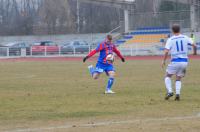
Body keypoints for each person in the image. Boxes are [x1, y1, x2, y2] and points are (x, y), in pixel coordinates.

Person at [162, 24, 197, 101]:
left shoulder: (170, 39)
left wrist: (163, 61)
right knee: (178, 78)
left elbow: (166, 51)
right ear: (180, 29)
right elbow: (194, 45)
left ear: (172, 30)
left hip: (175, 61)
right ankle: (177, 94)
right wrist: (194, 53)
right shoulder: (185, 37)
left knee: (167, 76)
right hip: (184, 62)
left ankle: (170, 91)